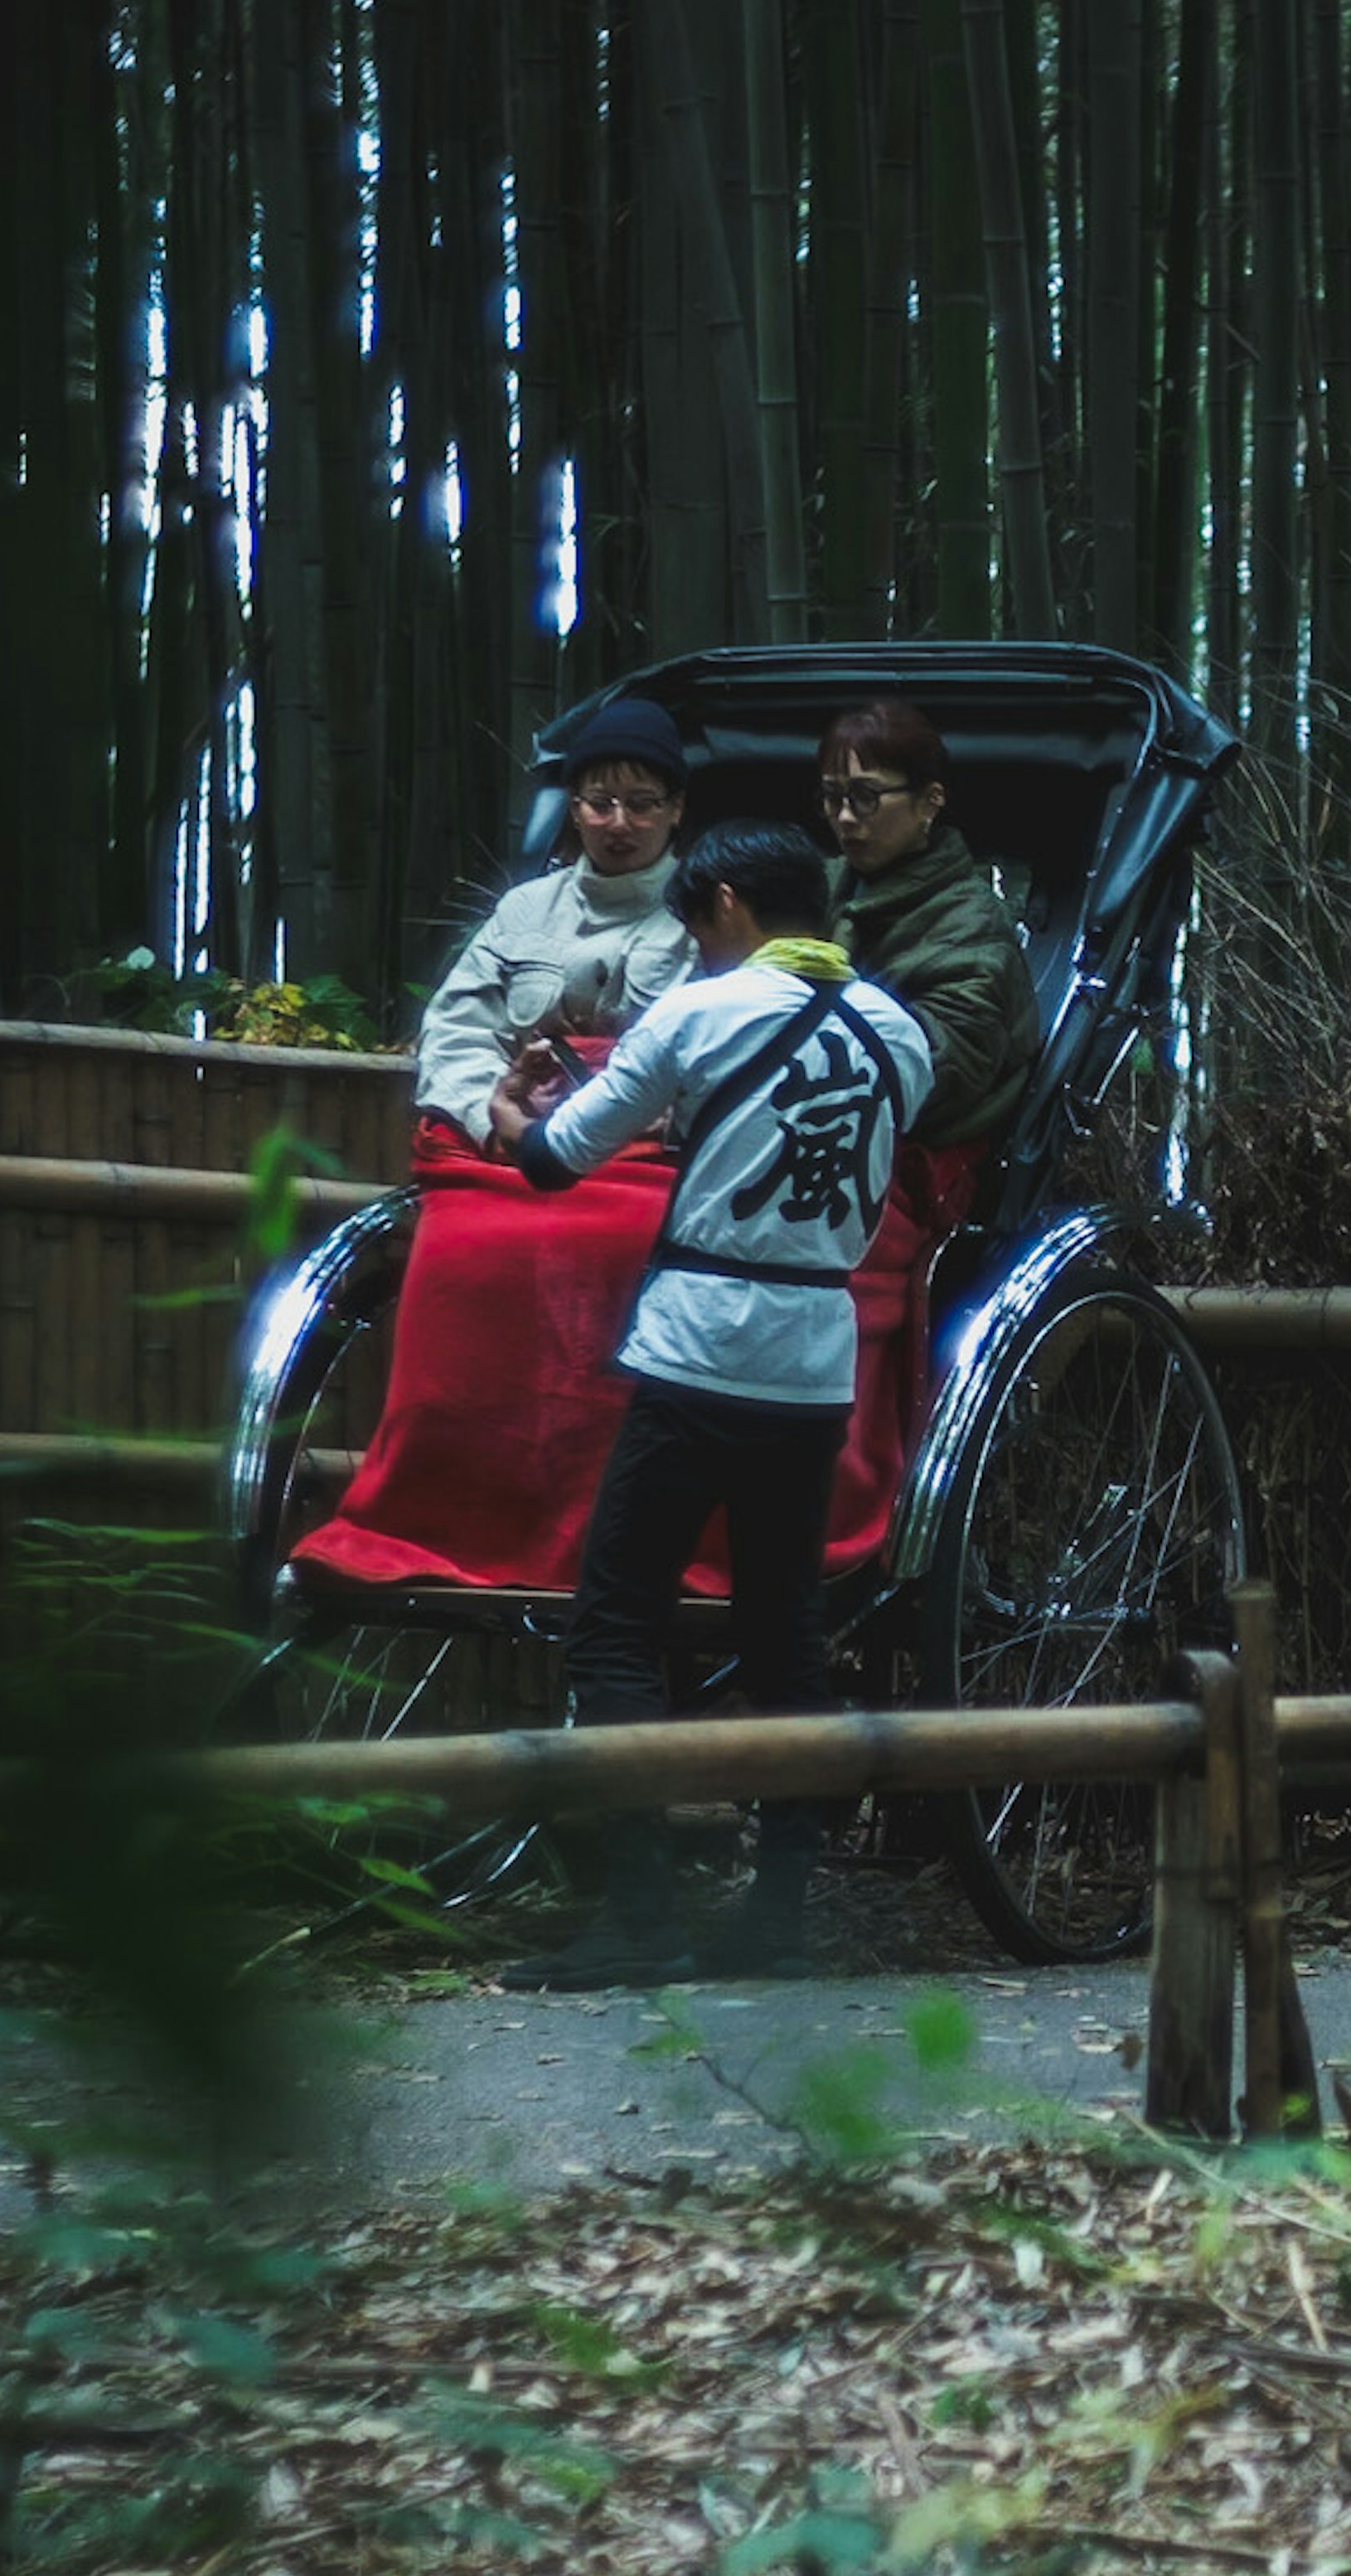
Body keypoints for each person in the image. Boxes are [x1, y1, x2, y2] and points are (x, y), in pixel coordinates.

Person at [488, 819, 934, 1987]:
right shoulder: (902, 1034)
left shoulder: (698, 1008)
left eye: (696, 921)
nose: (692, 944)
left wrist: (510, 1109)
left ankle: (641, 1913)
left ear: (727, 902)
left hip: (698, 1350)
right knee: (785, 1629)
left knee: (614, 1621)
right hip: (815, 1356)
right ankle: (780, 1912)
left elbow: (555, 1161)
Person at [413, 695, 696, 1148]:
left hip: (654, 1158)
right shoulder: (524, 910)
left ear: (676, 808)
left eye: (642, 804)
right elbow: (455, 1034)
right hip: (519, 1145)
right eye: (601, 803)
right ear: (574, 807)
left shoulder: (711, 913)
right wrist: (500, 1120)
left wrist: (673, 1122)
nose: (619, 823)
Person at [818, 699, 1040, 1157]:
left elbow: (942, 1072)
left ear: (929, 802)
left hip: (919, 1156)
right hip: (810, 1125)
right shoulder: (813, 886)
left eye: (865, 797)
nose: (844, 816)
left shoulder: (973, 926)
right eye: (832, 797)